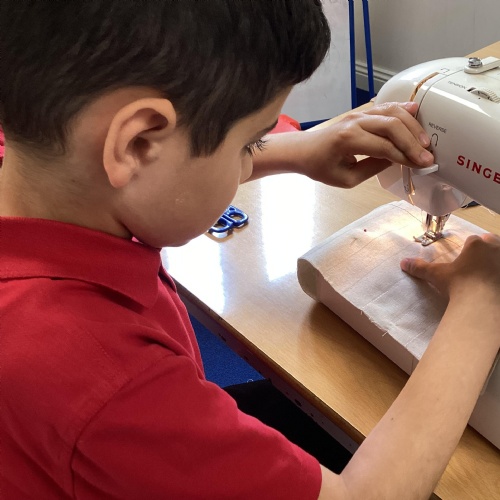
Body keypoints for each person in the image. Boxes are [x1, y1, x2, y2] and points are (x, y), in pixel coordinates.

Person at [0, 1, 498, 499]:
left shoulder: (33, 165)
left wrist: (293, 150)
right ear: (137, 144)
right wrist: (480, 304)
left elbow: (148, 174)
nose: (247, 164)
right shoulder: (103, 382)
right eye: (249, 144)